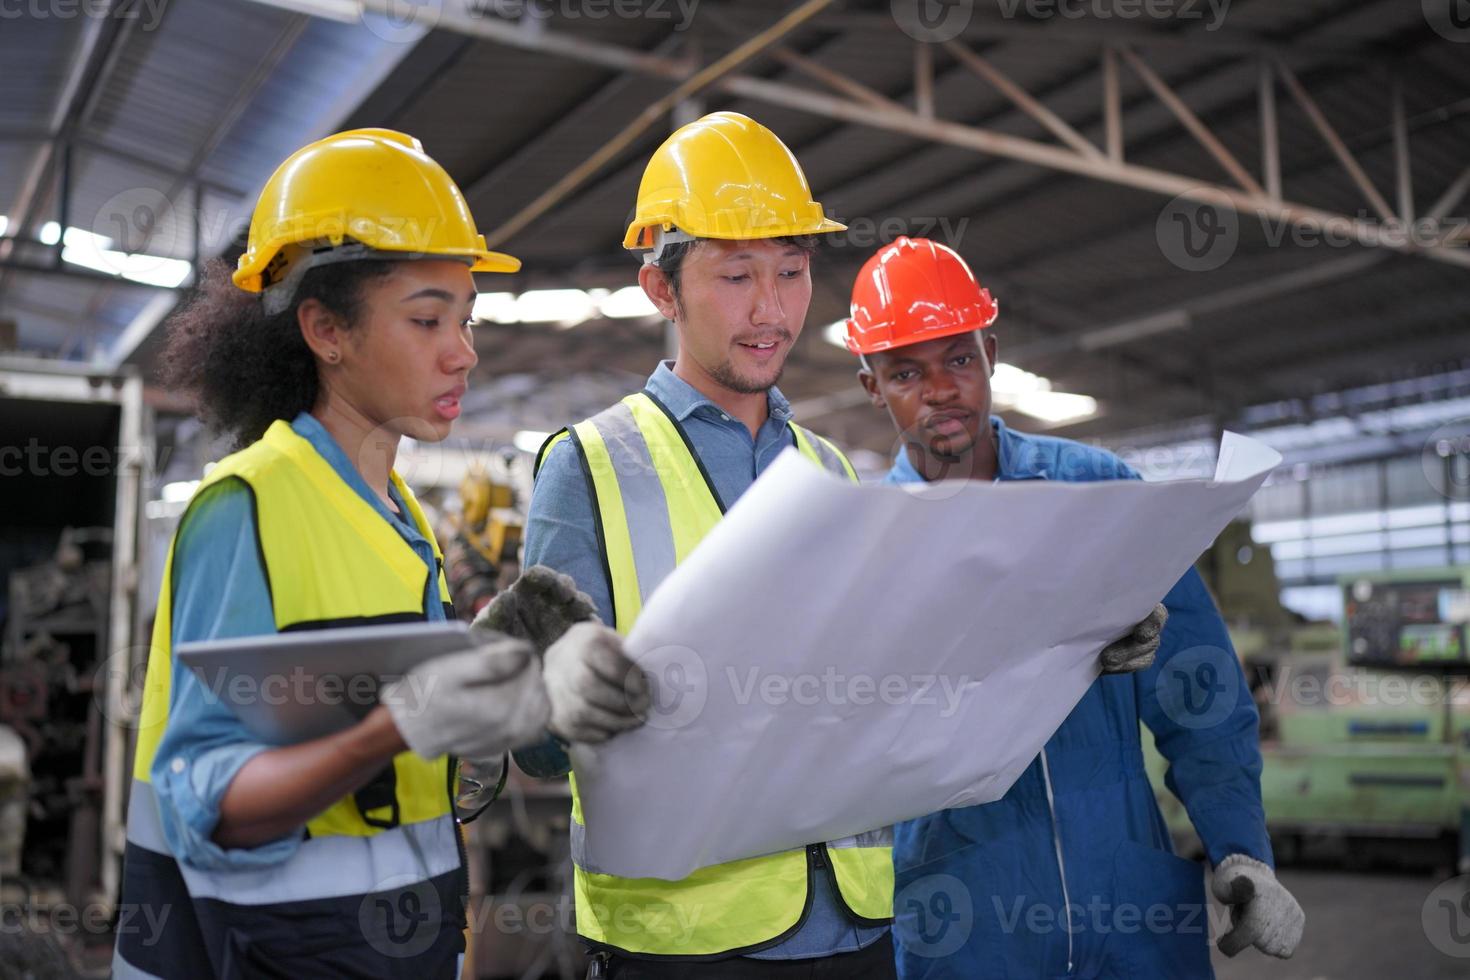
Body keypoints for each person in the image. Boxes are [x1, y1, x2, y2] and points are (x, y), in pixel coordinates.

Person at [111, 128, 642, 979]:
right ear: (326, 329)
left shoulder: (402, 521)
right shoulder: (246, 506)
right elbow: (205, 807)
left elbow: (409, 767)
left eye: (465, 319)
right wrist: (399, 724)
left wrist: (499, 665)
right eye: (427, 318)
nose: (463, 350)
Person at [842, 236, 1305, 979]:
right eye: (905, 372)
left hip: (1132, 900)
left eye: (958, 359)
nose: (940, 391)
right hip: (964, 915)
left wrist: (1241, 846)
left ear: (990, 350)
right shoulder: (865, 548)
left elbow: (1201, 688)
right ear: (872, 387)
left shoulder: (1099, 494)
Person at [518, 111, 898, 979]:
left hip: (854, 921)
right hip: (685, 938)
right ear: (662, 289)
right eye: (735, 276)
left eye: (793, 272)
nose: (771, 309)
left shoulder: (832, 469)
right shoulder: (588, 469)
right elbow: (540, 744)